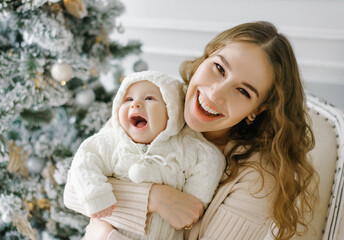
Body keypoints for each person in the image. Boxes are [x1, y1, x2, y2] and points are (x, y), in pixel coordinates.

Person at [64, 21, 319, 240]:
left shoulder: (258, 182)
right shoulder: (159, 99)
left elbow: (91, 199)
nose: (215, 94)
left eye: (243, 91)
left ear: (258, 109)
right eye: (218, 68)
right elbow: (74, 191)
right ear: (205, 58)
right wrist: (154, 198)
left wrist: (104, 231)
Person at [64, 71, 225, 240]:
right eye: (128, 100)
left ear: (172, 111)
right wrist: (96, 195)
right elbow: (84, 161)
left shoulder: (184, 147)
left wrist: (193, 202)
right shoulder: (111, 142)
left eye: (149, 98)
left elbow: (210, 161)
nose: (136, 104)